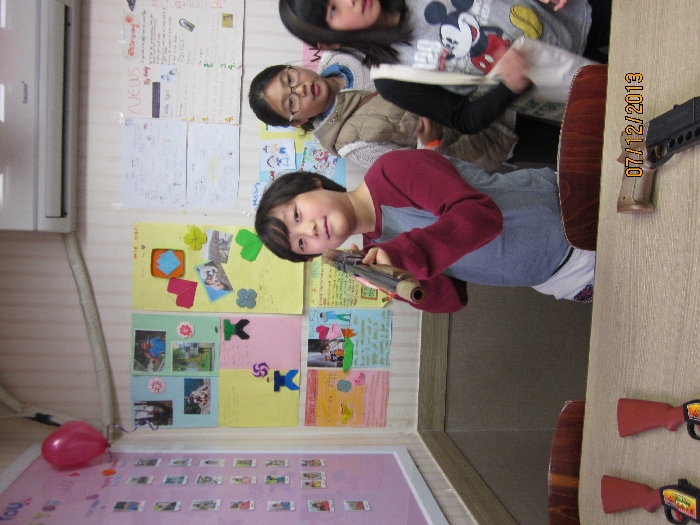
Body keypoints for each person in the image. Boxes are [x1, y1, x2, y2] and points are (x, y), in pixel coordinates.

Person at [255, 149, 595, 313]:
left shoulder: (391, 172)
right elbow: (451, 299)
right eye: (303, 243)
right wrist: (394, 282)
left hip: (575, 216)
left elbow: (481, 217)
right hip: (561, 279)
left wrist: (402, 256)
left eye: (297, 214)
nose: (311, 229)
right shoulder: (378, 253)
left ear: (313, 183)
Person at [277, 0, 611, 134]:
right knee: (633, 89)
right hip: (566, 78)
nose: (349, 1)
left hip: (581, 11)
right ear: (330, 42)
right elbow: (464, 119)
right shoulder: (393, 77)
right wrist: (508, 85)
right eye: (333, 11)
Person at [249, 51, 517, 171]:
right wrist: (430, 143)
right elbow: (419, 173)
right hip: (494, 135)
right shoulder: (350, 143)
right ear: (299, 121)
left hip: (489, 71)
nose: (301, 89)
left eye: (290, 78)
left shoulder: (345, 52)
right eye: (291, 102)